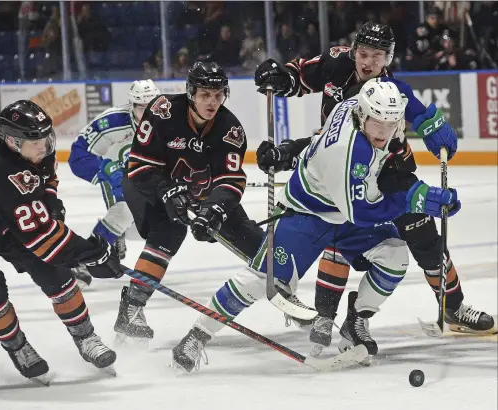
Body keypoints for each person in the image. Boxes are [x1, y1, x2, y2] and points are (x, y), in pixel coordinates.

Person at [171, 79, 461, 372]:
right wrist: (415, 199)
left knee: (394, 256)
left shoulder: (358, 105)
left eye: (391, 123)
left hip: (342, 210)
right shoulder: (349, 151)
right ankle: (197, 334)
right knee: (262, 279)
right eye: (377, 124)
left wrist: (429, 120)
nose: (383, 133)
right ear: (363, 115)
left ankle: (355, 322)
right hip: (306, 214)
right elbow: (362, 211)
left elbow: (395, 87)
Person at [252, 21, 494, 335]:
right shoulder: (337, 64)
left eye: (377, 57)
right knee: (336, 239)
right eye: (363, 53)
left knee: (427, 243)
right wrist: (279, 77)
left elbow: (415, 109)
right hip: (341, 175)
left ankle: (453, 306)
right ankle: (326, 317)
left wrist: (431, 126)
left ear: (388, 60)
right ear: (354, 51)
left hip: (390, 173)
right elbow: (298, 77)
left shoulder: (389, 91)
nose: (368, 63)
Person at [0, 100, 125, 383]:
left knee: (56, 276)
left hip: (1, 213)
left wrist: (52, 203)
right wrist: (90, 254)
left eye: (47, 137)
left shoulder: (30, 147)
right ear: (12, 141)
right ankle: (17, 347)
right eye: (36, 141)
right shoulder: (0, 172)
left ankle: (86, 338)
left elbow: (46, 177)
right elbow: (43, 240)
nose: (45, 147)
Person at [113, 62, 263, 343]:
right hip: (148, 184)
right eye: (205, 95)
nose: (212, 102)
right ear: (191, 93)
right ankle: (132, 306)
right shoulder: (162, 111)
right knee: (169, 230)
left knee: (252, 240)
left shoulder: (230, 129)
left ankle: (283, 285)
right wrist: (168, 191)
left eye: (218, 95)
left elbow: (229, 182)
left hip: (200, 192)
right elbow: (139, 167)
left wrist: (214, 209)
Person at [68, 80, 160, 287]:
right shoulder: (111, 122)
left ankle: (115, 233)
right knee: (125, 211)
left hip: (148, 178)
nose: (146, 114)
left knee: (155, 226)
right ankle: (83, 259)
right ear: (131, 105)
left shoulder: (170, 122)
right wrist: (107, 170)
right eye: (140, 107)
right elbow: (77, 156)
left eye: (151, 107)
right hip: (117, 176)